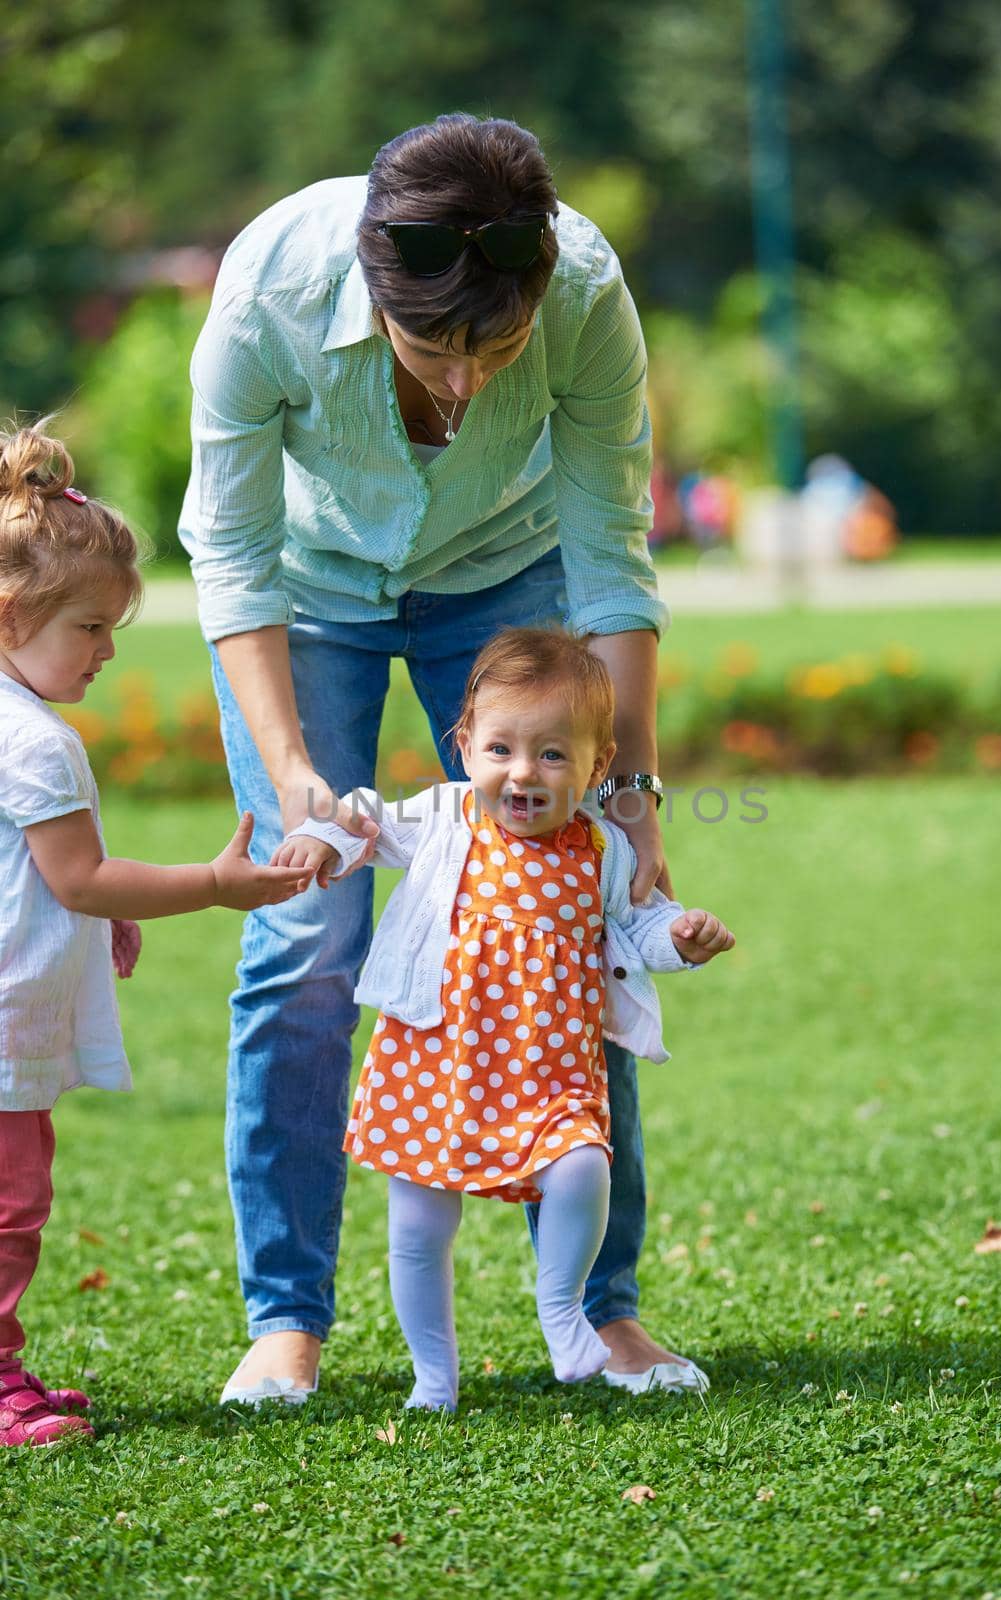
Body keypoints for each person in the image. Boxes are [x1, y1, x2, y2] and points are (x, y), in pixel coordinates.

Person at [179, 112, 704, 1406]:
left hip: (505, 579)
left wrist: (629, 794)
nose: (466, 388)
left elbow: (610, 555)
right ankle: (288, 1319)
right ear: (375, 286)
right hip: (306, 598)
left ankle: (600, 1310)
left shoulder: (582, 288)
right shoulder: (267, 290)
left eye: (499, 351)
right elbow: (232, 559)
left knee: (583, 912)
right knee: (305, 943)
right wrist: (296, 773)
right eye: (433, 351)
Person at [278, 628, 734, 1411]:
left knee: (586, 1166)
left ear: (597, 765)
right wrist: (320, 838)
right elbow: (363, 821)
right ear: (464, 746)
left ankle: (563, 1312)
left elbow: (643, 924)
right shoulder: (448, 817)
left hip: (547, 1069)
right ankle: (433, 1376)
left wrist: (685, 939)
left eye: (553, 756)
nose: (523, 774)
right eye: (501, 750)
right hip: (436, 1058)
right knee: (419, 1227)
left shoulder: (602, 847)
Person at [0, 425, 312, 1447]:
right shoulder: (36, 742)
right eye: (89, 627)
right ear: (11, 617)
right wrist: (217, 885)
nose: (106, 650)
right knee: (9, 1209)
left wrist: (97, 927)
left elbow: (47, 886)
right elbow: (78, 875)